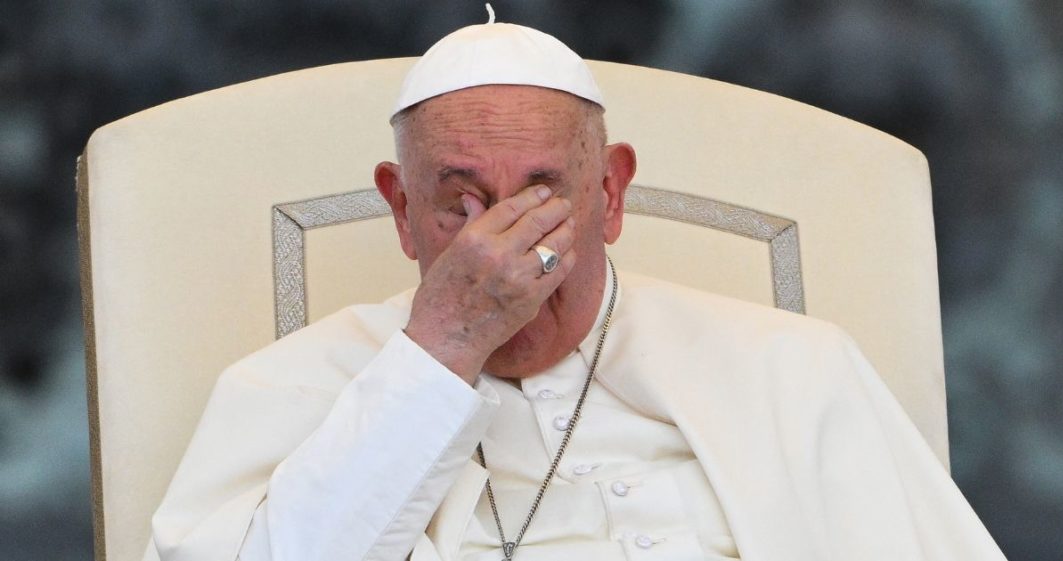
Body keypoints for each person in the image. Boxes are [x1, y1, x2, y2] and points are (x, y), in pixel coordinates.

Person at [147, 19, 1007, 561]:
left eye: (542, 194)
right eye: (461, 202)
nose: (501, 245)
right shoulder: (287, 387)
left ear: (612, 194)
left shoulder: (793, 371)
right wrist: (443, 346)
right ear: (401, 211)